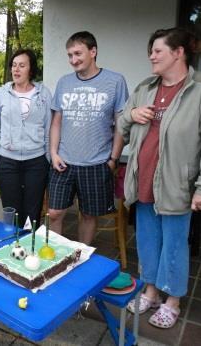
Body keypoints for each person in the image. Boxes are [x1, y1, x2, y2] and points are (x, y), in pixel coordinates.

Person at [119, 28, 201, 329]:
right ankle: (151, 292)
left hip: (177, 185)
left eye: (158, 51)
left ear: (178, 53)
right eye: (151, 50)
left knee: (174, 244)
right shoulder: (145, 87)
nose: (151, 56)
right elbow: (121, 123)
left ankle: (173, 300)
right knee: (147, 241)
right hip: (143, 179)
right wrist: (132, 114)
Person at [48, 31, 129, 244]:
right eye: (69, 55)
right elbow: (57, 120)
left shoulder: (115, 81)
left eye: (78, 53)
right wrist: (53, 152)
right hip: (63, 161)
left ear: (93, 52)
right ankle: (53, 261)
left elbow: (121, 123)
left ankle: (80, 259)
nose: (73, 60)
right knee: (54, 213)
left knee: (88, 215)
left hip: (96, 162)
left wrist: (113, 159)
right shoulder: (64, 82)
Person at [0, 49, 52, 228]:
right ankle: (12, 246)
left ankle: (30, 246)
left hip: (36, 160)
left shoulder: (44, 94)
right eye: (14, 65)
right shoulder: (1, 94)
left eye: (22, 65)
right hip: (8, 160)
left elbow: (49, 127)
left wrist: (47, 158)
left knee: (33, 211)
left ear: (30, 70)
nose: (16, 69)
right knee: (11, 211)